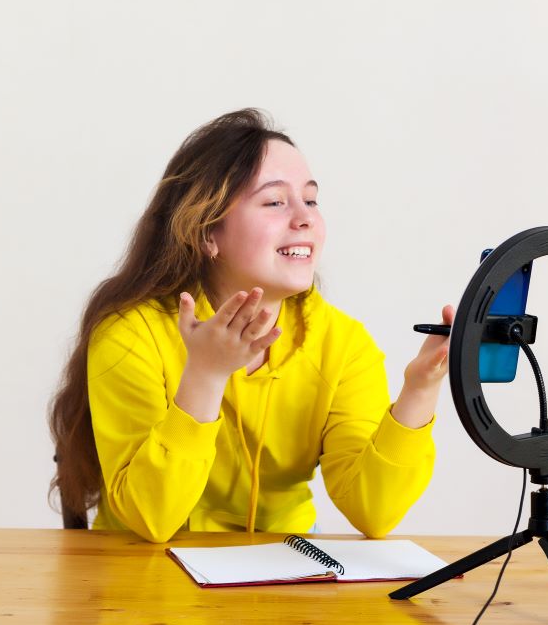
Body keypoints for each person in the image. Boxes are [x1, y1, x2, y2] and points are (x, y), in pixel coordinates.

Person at [48, 109, 454, 543]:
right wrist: (205, 374)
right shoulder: (131, 333)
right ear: (207, 232)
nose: (305, 219)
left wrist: (420, 389)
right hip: (144, 573)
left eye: (311, 200)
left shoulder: (344, 345)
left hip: (281, 574)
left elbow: (375, 512)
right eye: (275, 202)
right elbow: (151, 518)